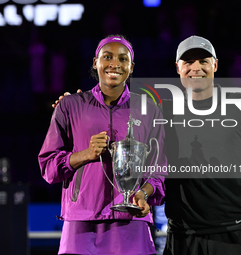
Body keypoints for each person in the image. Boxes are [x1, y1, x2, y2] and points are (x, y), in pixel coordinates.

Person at [53, 35, 241, 255]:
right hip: (181, 233)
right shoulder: (161, 111)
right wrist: (75, 104)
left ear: (215, 65)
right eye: (188, 62)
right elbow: (114, 110)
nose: (195, 68)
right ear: (178, 68)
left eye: (203, 61)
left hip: (234, 231)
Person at [39, 35, 167, 255]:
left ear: (131, 66)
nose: (114, 64)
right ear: (95, 62)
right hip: (81, 223)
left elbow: (161, 169)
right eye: (107, 57)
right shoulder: (70, 106)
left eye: (122, 58)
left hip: (132, 220)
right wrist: (85, 154)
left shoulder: (149, 109)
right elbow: (48, 167)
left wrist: (144, 194)